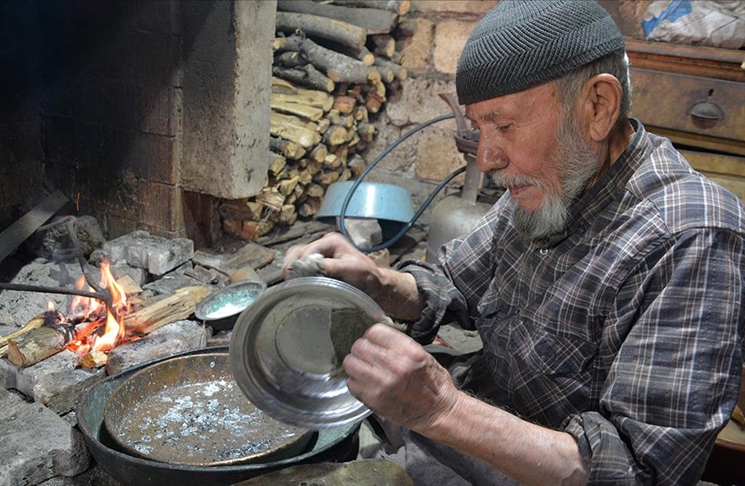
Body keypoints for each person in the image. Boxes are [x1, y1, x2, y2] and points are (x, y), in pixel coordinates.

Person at [282, 1, 745, 484]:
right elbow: (454, 286)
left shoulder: (691, 238)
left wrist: (442, 408)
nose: (486, 158)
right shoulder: (551, 180)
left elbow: (641, 473)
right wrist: (377, 282)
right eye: (479, 127)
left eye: (503, 126)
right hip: (482, 420)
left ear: (597, 107)